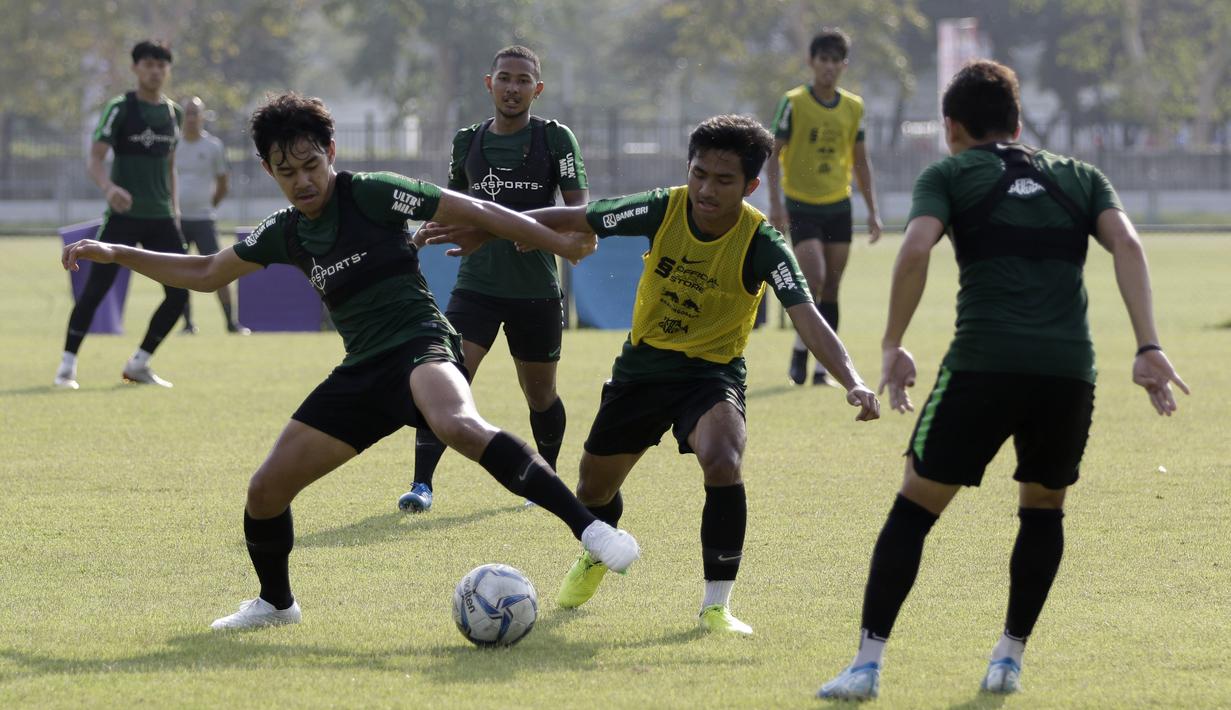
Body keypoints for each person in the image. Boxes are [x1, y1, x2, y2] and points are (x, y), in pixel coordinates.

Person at [61, 92, 640, 631]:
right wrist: (116, 250)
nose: (302, 181)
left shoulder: (372, 192)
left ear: (331, 152)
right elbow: (208, 271)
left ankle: (590, 529)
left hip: (420, 343)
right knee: (265, 491)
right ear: (267, 170)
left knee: (457, 424)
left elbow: (478, 207)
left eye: (311, 165)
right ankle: (276, 604)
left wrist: (560, 242)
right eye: (286, 172)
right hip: (363, 369)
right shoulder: (286, 231)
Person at [816, 61, 1190, 700]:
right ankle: (1008, 659)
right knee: (1043, 508)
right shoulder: (1081, 176)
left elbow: (915, 251)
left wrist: (893, 343)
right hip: (1066, 374)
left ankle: (866, 667)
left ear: (951, 127)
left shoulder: (949, 174)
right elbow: (1128, 245)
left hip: (982, 365)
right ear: (1018, 122)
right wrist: (1148, 345)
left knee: (915, 507)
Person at [423, 114, 880, 634]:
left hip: (711, 375)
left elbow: (807, 315)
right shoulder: (664, 206)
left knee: (723, 458)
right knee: (592, 490)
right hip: (641, 370)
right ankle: (597, 551)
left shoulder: (762, 243)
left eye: (723, 180)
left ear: (750, 186)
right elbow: (579, 216)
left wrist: (853, 380)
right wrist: (487, 228)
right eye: (699, 174)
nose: (706, 190)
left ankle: (717, 606)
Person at [398, 45, 588, 514]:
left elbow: (580, 216)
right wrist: (418, 236)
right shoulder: (467, 142)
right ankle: (421, 485)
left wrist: (537, 234)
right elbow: (454, 209)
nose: (512, 88)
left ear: (537, 90)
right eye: (504, 78)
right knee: (447, 379)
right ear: (489, 84)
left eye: (523, 81)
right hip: (476, 287)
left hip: (535, 292)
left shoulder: (555, 139)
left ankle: (545, 481)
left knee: (540, 394)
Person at [55, 40, 186, 389]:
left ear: (168, 70)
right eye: (148, 64)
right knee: (96, 290)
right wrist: (109, 188)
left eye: (161, 65)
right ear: (135, 68)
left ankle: (139, 363)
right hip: (123, 218)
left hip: (161, 219)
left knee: (180, 294)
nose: (155, 71)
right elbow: (95, 159)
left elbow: (170, 166)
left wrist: (175, 211)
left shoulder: (174, 113)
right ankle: (66, 367)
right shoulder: (120, 108)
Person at [766, 28, 882, 387]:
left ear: (844, 65)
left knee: (831, 287)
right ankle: (801, 349)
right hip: (802, 204)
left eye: (836, 60)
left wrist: (872, 210)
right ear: (811, 62)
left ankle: (820, 367)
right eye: (823, 59)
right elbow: (773, 155)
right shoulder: (794, 102)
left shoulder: (853, 106)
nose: (829, 66)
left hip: (838, 205)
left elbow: (860, 161)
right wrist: (776, 205)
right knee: (813, 278)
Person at [175, 96, 248, 335]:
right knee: (178, 272)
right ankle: (187, 323)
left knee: (219, 269)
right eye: (187, 113)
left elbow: (223, 183)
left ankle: (230, 323)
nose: (191, 118)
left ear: (202, 117)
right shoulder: (173, 145)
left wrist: (209, 205)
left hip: (204, 219)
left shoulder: (213, 146)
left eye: (195, 113)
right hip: (178, 220)